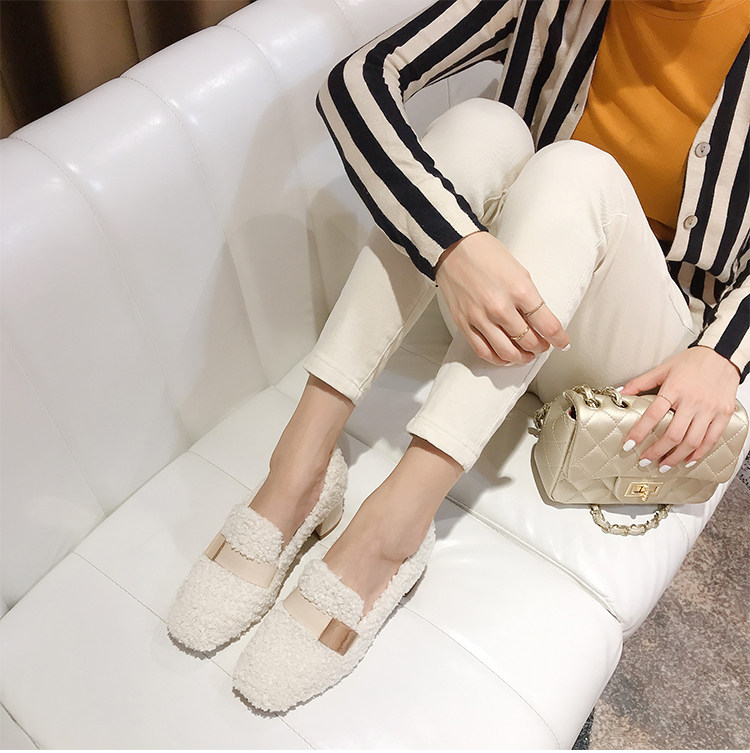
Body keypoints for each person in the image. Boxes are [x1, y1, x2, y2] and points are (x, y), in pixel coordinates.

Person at [167, 0, 749, 712]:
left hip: (628, 342)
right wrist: (452, 247)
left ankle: (393, 530)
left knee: (577, 169)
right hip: (497, 302)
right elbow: (356, 81)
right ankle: (299, 467)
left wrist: (723, 354)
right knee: (482, 127)